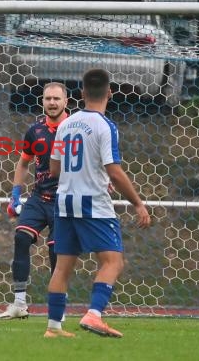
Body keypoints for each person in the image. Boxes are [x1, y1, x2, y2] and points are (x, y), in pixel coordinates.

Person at [44, 68, 151, 338]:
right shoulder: (105, 126)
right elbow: (114, 169)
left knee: (62, 267)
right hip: (93, 203)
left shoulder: (66, 124)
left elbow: (54, 169)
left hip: (64, 203)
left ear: (81, 94)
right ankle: (94, 314)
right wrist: (138, 203)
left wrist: (93, 173)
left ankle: (53, 328)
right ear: (110, 94)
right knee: (112, 261)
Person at [0, 82, 68, 320]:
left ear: (66, 101)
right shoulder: (35, 131)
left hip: (64, 199)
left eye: (57, 98)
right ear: (43, 101)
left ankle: (58, 307)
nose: (52, 103)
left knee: (56, 250)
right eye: (48, 98)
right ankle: (19, 303)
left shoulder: (75, 128)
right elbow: (23, 162)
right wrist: (15, 193)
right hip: (39, 197)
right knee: (20, 237)